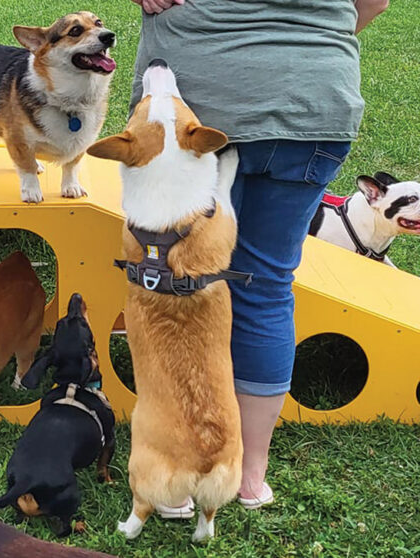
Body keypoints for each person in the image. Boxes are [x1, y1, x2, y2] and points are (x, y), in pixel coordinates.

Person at [128, 0, 389, 509]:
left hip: (200, 100)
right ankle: (248, 476)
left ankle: (178, 469)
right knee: (267, 287)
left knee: (177, 285)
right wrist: (306, 39)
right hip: (313, 97)